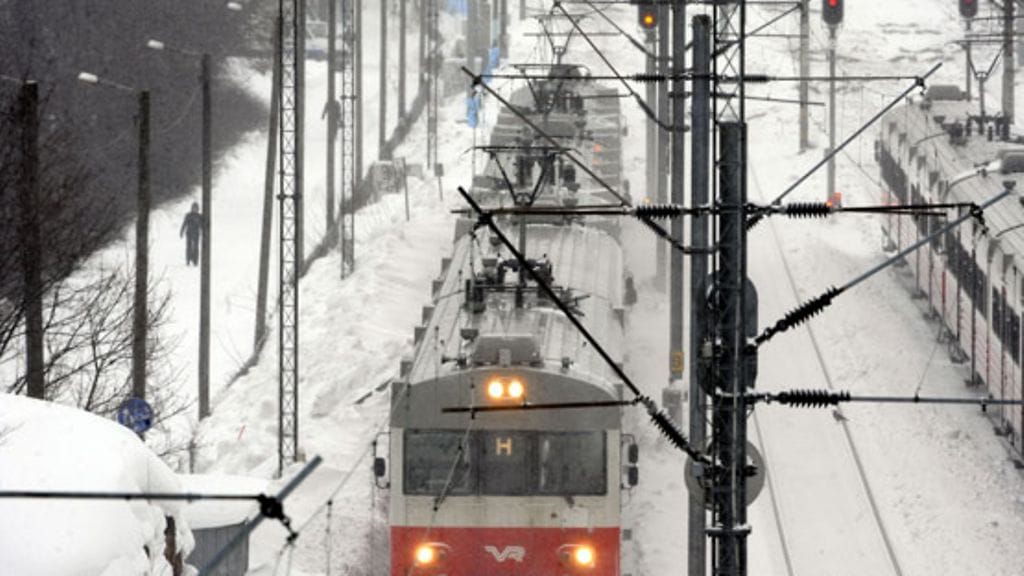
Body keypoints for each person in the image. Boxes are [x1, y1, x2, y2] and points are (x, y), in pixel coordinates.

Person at [180, 202, 203, 266]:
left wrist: (203, 231)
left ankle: (195, 261)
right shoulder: (188, 215)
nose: (195, 209)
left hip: (196, 233)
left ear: (198, 209)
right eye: (193, 208)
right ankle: (188, 260)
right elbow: (184, 224)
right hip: (189, 233)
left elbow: (202, 225)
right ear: (191, 208)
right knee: (188, 247)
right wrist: (181, 231)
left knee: (196, 247)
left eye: (196, 208)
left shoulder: (199, 216)